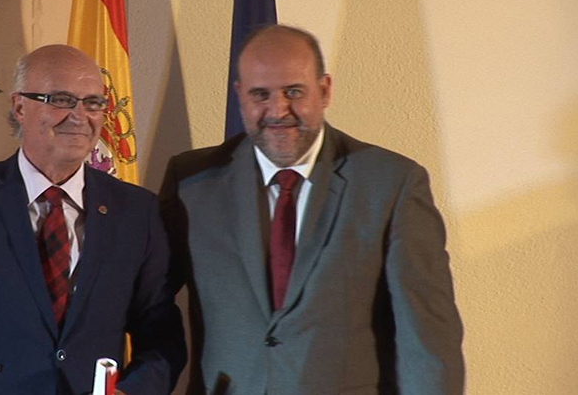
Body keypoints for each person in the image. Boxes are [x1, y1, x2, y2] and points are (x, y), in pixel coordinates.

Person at [160, 25, 464, 395]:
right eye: (260, 94)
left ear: (325, 90)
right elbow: (147, 303)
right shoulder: (191, 183)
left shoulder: (392, 184)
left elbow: (428, 342)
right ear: (240, 95)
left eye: (294, 92)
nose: (278, 110)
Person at [0, 45, 186, 395]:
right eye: (61, 100)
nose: (80, 116)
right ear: (19, 107)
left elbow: (162, 337)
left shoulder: (136, 211)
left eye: (93, 103)